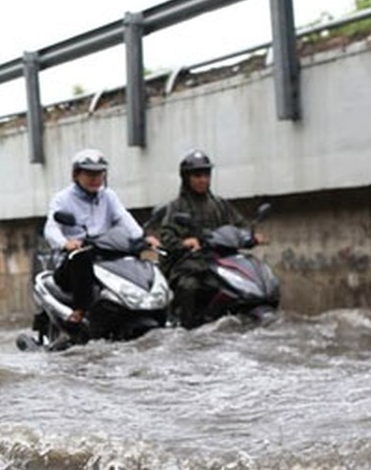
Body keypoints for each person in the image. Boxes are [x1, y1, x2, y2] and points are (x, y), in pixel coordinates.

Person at [43, 148, 157, 346]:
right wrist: (66, 243)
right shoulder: (63, 199)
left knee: (136, 257)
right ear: (76, 174)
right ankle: (79, 311)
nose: (95, 178)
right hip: (72, 261)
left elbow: (124, 219)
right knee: (82, 257)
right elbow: (51, 228)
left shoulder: (108, 196)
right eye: (89, 173)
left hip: (104, 255)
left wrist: (143, 238)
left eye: (99, 173)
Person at [147, 149, 266, 328]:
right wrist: (184, 243)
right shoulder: (176, 207)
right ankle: (186, 327)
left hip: (220, 261)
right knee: (190, 286)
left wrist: (250, 236)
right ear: (186, 178)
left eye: (206, 174)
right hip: (187, 264)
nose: (203, 179)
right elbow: (167, 236)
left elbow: (238, 224)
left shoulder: (219, 204)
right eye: (197, 175)